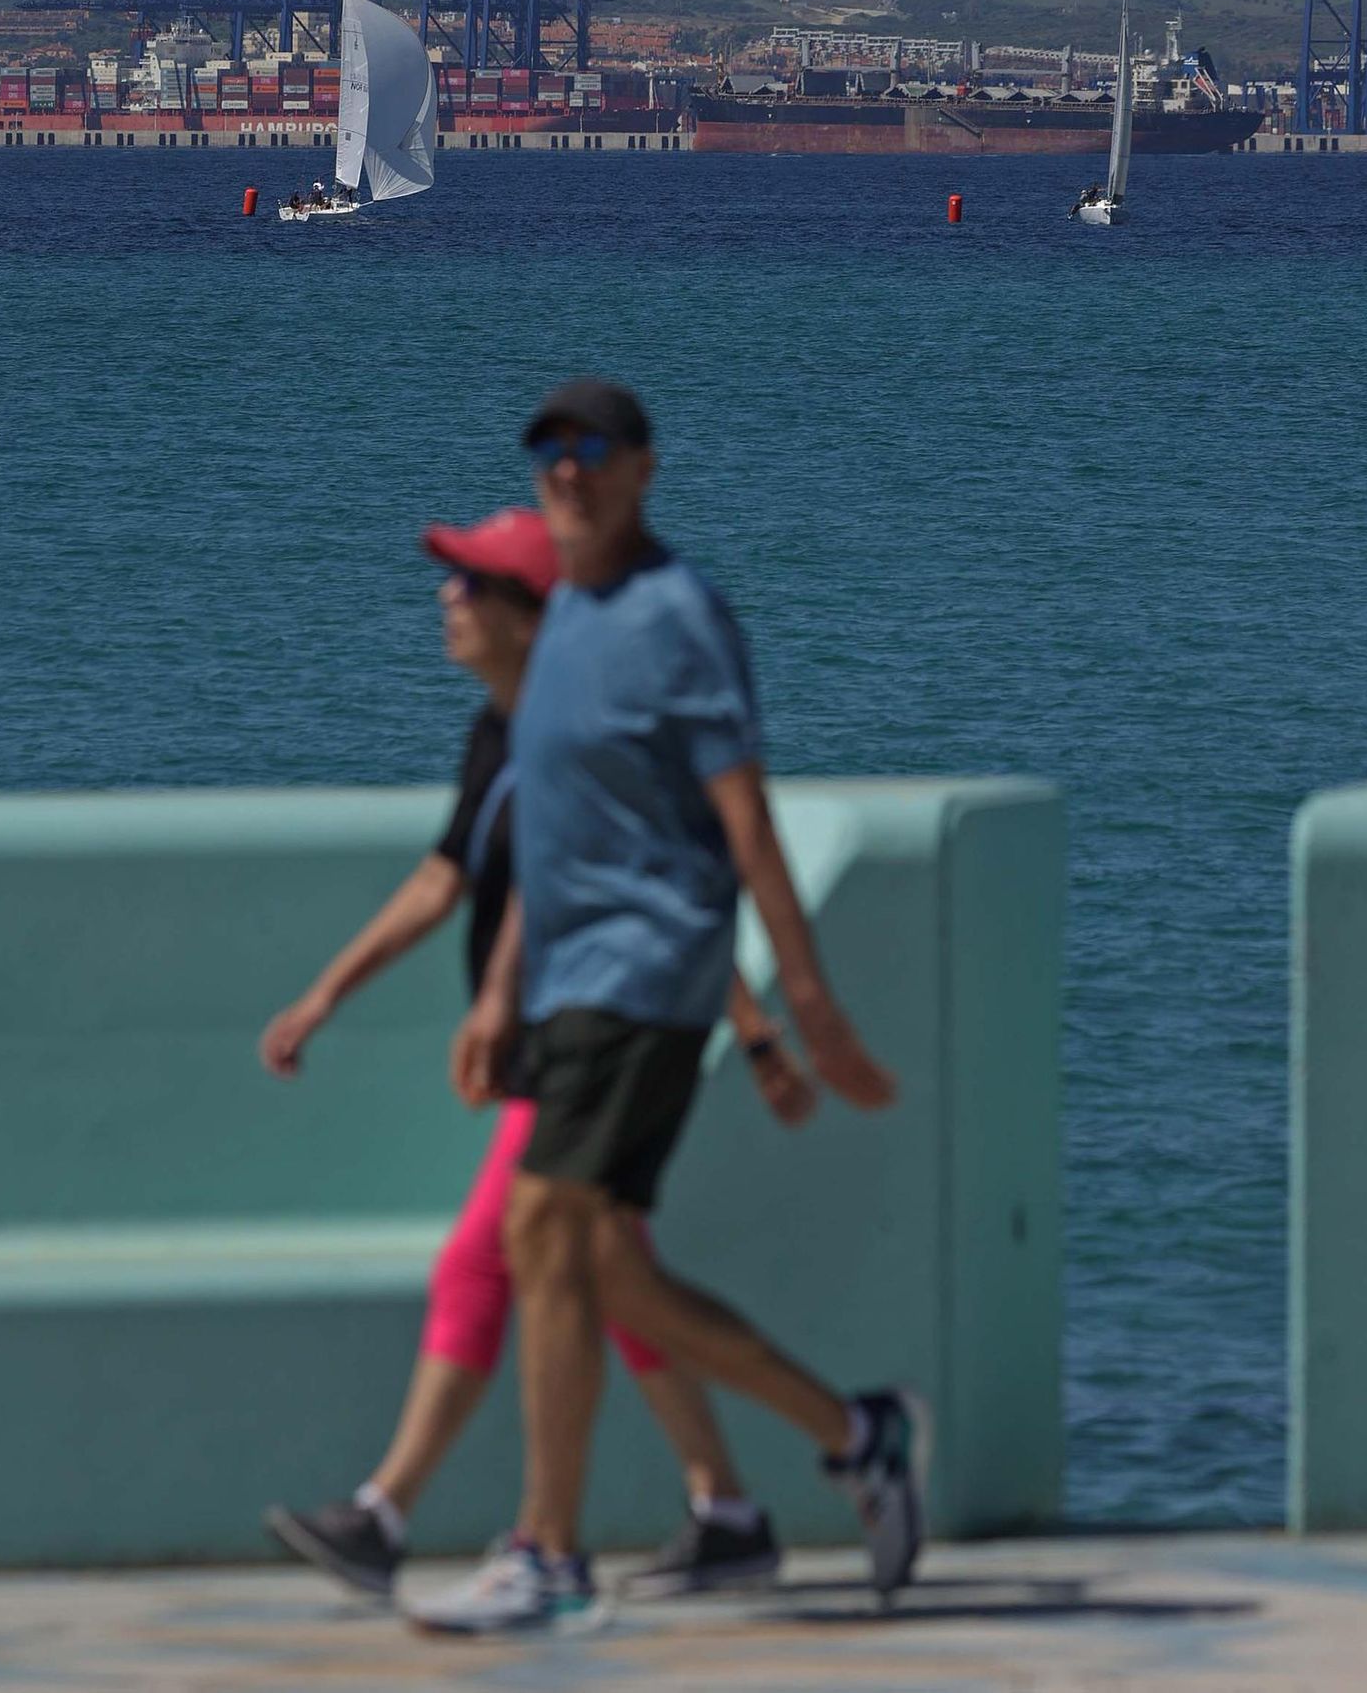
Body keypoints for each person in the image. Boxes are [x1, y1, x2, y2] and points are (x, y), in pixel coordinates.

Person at [410, 381, 928, 1638]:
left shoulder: (676, 617)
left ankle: (547, 1550)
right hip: (571, 980)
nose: (567, 469)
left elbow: (739, 817)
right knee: (599, 1269)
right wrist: (495, 992)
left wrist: (801, 1005)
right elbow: (553, 835)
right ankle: (856, 1434)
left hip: (648, 972)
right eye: (548, 448)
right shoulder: (569, 619)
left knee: (539, 1228)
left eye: (593, 450)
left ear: (643, 469)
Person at [259, 507, 808, 1603]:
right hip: (554, 1051)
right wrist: (325, 992)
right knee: (610, 1281)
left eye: (469, 586)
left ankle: (389, 1512)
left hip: (595, 1042)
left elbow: (672, 894)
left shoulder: (586, 739)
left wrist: (756, 1033)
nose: (445, 603)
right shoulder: (495, 736)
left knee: (485, 1262)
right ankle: (731, 1508)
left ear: (528, 615)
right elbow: (441, 878)